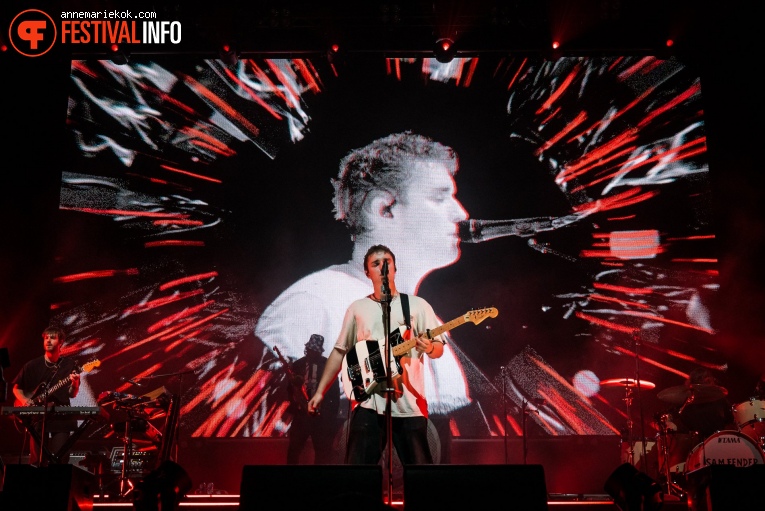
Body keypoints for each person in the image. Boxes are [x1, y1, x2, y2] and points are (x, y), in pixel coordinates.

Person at [255, 131, 471, 422]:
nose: (460, 213)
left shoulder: (430, 322)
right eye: (439, 197)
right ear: (383, 209)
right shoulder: (314, 303)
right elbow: (269, 429)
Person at [307, 245, 445, 464]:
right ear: (367, 272)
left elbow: (438, 349)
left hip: (409, 404)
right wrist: (320, 391)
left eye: (387, 261)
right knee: (360, 476)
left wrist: (428, 347)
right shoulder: (358, 308)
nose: (383, 267)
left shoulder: (418, 306)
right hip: (367, 403)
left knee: (421, 477)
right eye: (376, 263)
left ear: (395, 268)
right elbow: (339, 351)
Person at [11, 326, 81, 465]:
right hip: (38, 418)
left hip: (61, 417)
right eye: (46, 338)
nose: (48, 341)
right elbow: (16, 389)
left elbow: (72, 394)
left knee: (59, 460)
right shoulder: (32, 365)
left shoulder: (69, 364)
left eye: (53, 338)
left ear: (61, 342)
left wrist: (75, 383)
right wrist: (25, 401)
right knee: (37, 461)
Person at [285, 334, 340, 464]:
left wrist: (329, 417)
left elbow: (334, 394)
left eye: (314, 351)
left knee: (322, 453)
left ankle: (318, 481)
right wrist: (296, 400)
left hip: (320, 419)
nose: (311, 353)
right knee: (293, 450)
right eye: (310, 350)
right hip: (301, 416)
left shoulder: (327, 365)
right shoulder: (298, 365)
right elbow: (289, 389)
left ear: (319, 351)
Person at [677, 367, 735, 439]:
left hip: (700, 447)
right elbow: (731, 420)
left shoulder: (687, 410)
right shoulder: (721, 401)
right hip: (722, 441)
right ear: (709, 381)